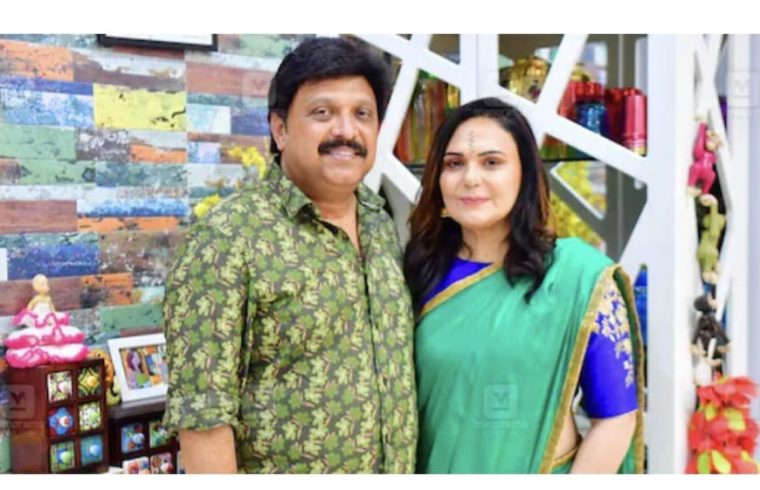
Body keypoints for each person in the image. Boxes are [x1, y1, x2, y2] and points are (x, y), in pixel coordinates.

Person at [162, 37, 417, 474]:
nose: (346, 131)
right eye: (323, 113)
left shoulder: (383, 224)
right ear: (280, 129)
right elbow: (203, 417)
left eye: (362, 114)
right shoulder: (226, 238)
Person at [404, 97, 644, 474]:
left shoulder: (577, 276)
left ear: (525, 175)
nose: (470, 178)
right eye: (454, 164)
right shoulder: (415, 273)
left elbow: (616, 419)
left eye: (491, 162)